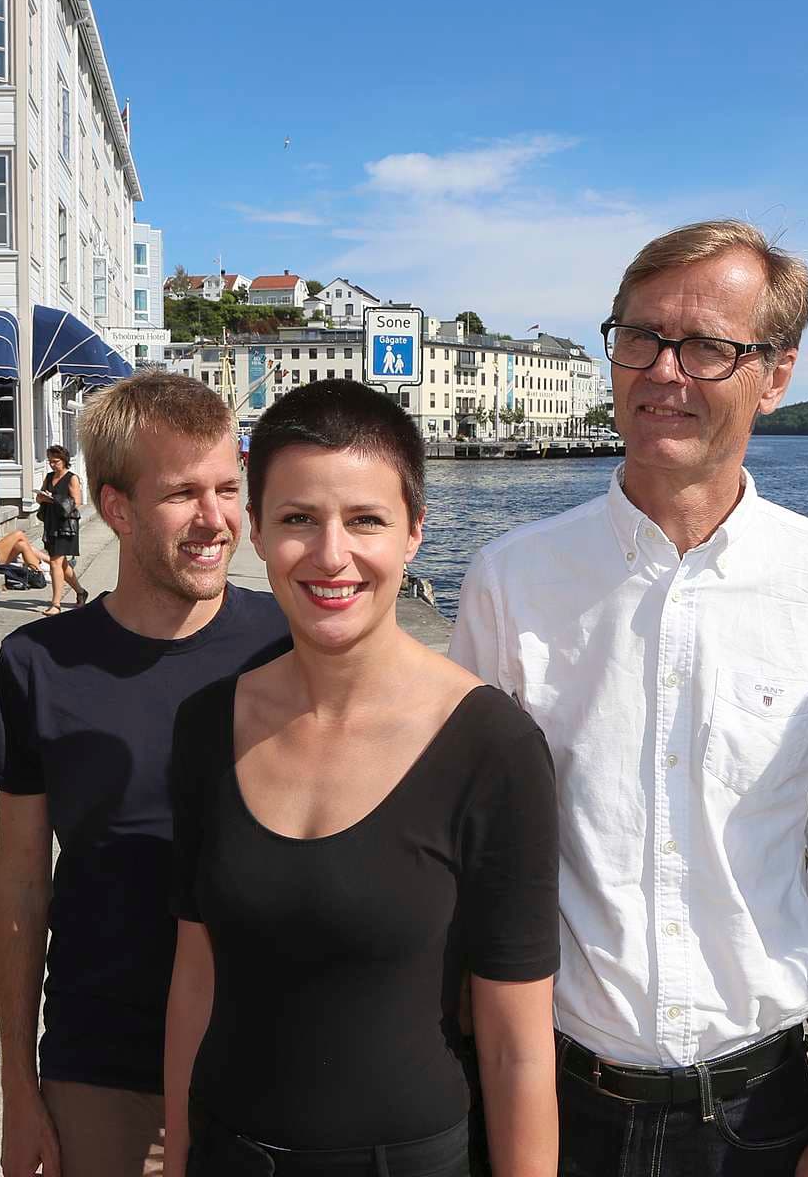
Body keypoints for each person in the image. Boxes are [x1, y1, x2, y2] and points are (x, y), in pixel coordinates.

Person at [451, 220, 808, 1176]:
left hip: (761, 1117)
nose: (664, 371)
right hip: (551, 1103)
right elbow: (472, 863)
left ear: (776, 375)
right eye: (640, 337)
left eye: (707, 347)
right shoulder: (510, 581)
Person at [163, 380, 560, 1177]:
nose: (331, 555)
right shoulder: (207, 725)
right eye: (298, 520)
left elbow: (516, 1046)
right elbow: (195, 979)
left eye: (366, 520)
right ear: (256, 531)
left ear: (414, 533)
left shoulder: (491, 747)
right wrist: (178, 1158)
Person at [0, 373, 291, 1177]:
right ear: (116, 509)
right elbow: (20, 883)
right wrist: (18, 1085)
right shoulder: (38, 664)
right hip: (103, 1068)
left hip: (271, 1064)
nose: (216, 519)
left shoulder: (289, 644)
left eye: (228, 488)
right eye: (182, 493)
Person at [36, 445, 90, 611]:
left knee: (55, 563)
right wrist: (43, 498)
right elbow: (39, 498)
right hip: (50, 523)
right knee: (62, 564)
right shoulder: (49, 477)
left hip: (66, 525)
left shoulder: (72, 478)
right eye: (50, 461)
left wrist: (54, 499)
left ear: (64, 460)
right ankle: (81, 592)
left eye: (56, 461)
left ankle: (56, 604)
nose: (52, 465)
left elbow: (77, 502)